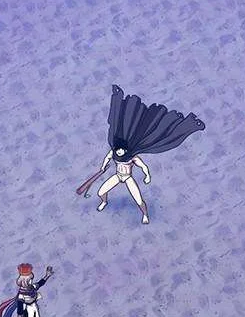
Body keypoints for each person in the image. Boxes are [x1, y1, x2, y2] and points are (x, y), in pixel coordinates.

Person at [76, 84, 206, 223]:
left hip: (127, 178)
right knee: (101, 192)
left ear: (125, 149)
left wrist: (147, 176)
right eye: (118, 150)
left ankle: (145, 214)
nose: (119, 151)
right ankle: (104, 201)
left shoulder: (132, 157)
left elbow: (143, 166)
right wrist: (103, 167)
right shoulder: (114, 152)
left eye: (121, 150)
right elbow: (108, 157)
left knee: (139, 200)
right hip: (117, 176)